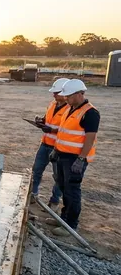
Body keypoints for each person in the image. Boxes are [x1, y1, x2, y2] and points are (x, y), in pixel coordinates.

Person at [49, 79, 100, 236]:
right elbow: (64, 132)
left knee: (72, 191)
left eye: (69, 96)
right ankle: (63, 218)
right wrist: (56, 149)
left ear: (79, 94)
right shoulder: (70, 108)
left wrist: (81, 159)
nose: (66, 99)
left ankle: (70, 226)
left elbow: (90, 138)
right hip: (62, 155)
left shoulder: (90, 113)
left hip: (74, 159)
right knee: (64, 188)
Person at [31, 78, 69, 209]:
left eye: (56, 92)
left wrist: (52, 130)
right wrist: (41, 120)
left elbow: (70, 129)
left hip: (59, 147)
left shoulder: (70, 109)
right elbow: (48, 118)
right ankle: (32, 194)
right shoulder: (53, 104)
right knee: (36, 170)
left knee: (58, 177)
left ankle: (54, 202)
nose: (54, 95)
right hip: (45, 143)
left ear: (66, 92)